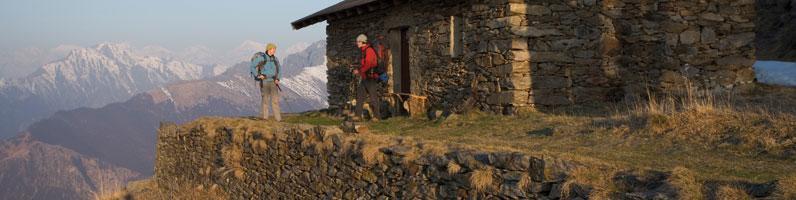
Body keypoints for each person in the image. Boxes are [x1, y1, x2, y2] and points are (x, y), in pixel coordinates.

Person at [250, 43, 282, 121]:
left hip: (274, 81)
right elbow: (252, 66)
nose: (274, 51)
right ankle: (265, 118)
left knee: (275, 101)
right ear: (269, 49)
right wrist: (258, 75)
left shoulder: (275, 59)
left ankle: (278, 119)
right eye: (273, 49)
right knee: (265, 100)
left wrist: (278, 78)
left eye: (275, 49)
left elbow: (279, 69)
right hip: (264, 82)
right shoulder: (261, 58)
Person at [353, 34, 381, 122]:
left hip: (371, 77)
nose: (357, 43)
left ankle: (377, 117)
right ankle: (358, 116)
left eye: (358, 41)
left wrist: (359, 71)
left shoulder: (369, 51)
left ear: (363, 42)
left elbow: (368, 64)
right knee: (360, 96)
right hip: (365, 77)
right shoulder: (364, 51)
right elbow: (365, 64)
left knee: (373, 97)